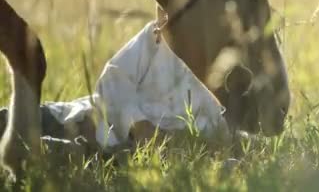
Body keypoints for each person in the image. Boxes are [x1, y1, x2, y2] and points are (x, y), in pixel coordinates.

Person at [0, 20, 231, 154]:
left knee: (37, 157)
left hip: (96, 155)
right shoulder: (160, 39)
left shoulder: (215, 122)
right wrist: (138, 124)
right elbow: (113, 81)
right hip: (69, 121)